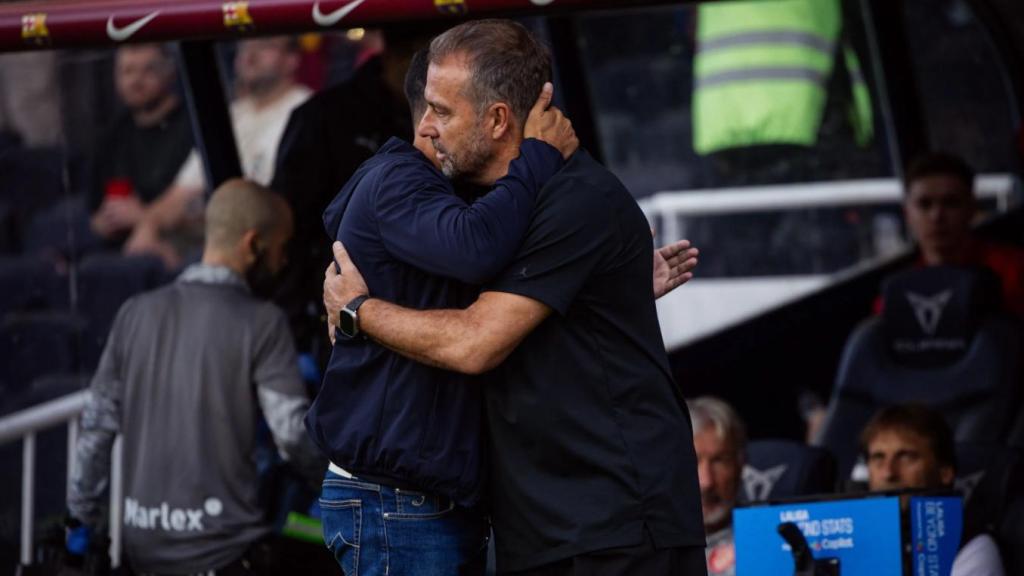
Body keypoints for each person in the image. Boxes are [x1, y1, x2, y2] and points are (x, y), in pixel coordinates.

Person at [323, 19, 706, 575]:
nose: (424, 127)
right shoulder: (487, 205)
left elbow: (474, 342)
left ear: (498, 119)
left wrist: (358, 311)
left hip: (611, 524)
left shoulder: (573, 200)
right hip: (551, 524)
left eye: (442, 111)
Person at [308, 44, 579, 574]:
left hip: (415, 499)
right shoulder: (397, 180)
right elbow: (476, 248)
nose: (434, 125)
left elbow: (492, 304)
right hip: (394, 501)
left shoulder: (435, 193)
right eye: (437, 110)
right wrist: (539, 157)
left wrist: (595, 283)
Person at [66, 179, 322, 575]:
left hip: (142, 554)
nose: (284, 262)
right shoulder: (264, 323)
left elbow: (96, 430)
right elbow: (291, 434)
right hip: (227, 554)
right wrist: (336, 484)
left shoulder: (134, 313)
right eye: (281, 247)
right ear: (253, 243)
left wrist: (78, 525)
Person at [271, 27, 440, 357]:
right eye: (431, 65)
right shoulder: (324, 118)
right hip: (343, 309)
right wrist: (300, 328)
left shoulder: (452, 115)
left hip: (429, 300)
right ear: (398, 57)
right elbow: (289, 225)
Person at [127, 37, 312, 268]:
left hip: (268, 249)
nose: (250, 55)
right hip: (209, 245)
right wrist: (149, 226)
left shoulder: (305, 110)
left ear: (292, 59)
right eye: (244, 47)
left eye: (264, 46)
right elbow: (181, 192)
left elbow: (279, 204)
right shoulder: (231, 113)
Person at [861, 404, 1006, 576]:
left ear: (944, 472)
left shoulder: (971, 548)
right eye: (878, 457)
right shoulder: (850, 537)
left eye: (906, 457)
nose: (888, 473)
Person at [89, 44, 194, 246]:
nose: (136, 81)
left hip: (175, 241)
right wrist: (102, 223)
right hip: (116, 244)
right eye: (127, 71)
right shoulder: (112, 134)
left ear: (170, 73)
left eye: (147, 70)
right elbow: (93, 211)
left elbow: (195, 202)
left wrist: (144, 216)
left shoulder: (193, 125)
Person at [898, 152, 1024, 316]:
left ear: (972, 208)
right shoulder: (900, 291)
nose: (937, 216)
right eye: (925, 204)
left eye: (951, 203)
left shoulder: (1014, 271)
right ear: (907, 213)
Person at [688, 397, 746, 576]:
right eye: (692, 461)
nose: (706, 482)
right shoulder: (644, 546)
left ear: (740, 465)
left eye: (720, 461)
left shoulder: (766, 541)